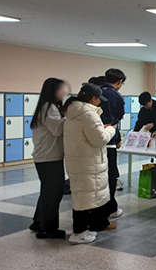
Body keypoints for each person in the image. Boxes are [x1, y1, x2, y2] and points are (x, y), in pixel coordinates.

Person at [63, 83, 117, 244]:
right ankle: (79, 232)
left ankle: (86, 227)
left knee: (82, 195)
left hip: (78, 161)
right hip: (89, 163)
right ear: (92, 98)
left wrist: (102, 128)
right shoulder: (88, 115)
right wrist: (111, 129)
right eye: (98, 99)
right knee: (85, 198)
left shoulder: (72, 113)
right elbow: (99, 139)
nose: (99, 102)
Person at [29, 78, 68, 239]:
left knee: (47, 191)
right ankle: (48, 229)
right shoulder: (49, 107)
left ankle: (38, 222)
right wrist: (72, 117)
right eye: (61, 90)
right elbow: (57, 129)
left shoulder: (47, 107)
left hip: (46, 157)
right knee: (53, 193)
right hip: (49, 157)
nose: (64, 92)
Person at [99, 68, 126, 219]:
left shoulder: (97, 92)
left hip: (93, 140)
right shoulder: (116, 95)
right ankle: (110, 208)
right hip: (109, 140)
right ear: (119, 82)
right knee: (110, 175)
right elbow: (119, 116)